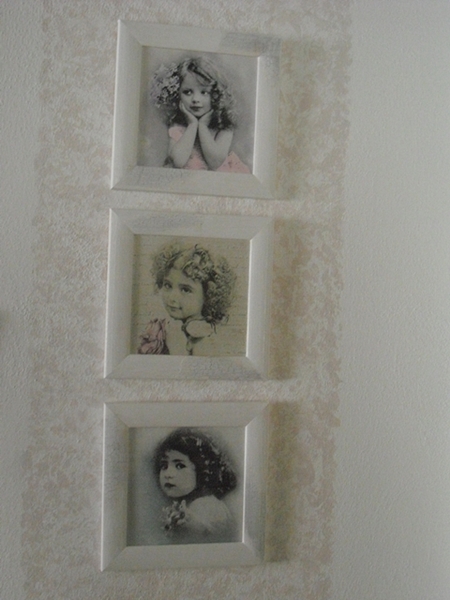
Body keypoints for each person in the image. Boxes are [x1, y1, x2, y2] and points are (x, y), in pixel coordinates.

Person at [149, 56, 250, 173]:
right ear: (177, 95)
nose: (195, 99)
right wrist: (192, 125)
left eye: (204, 92)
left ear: (216, 95)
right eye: (188, 92)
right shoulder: (179, 126)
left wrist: (202, 126)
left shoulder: (224, 127)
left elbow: (215, 163)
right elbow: (178, 162)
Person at [137, 242, 236, 356]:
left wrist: (176, 346)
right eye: (168, 285)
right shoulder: (159, 328)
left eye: (185, 290)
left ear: (208, 295)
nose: (172, 297)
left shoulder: (203, 336)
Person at [153, 427, 237, 543]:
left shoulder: (207, 506)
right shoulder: (189, 505)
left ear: (201, 470)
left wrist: (187, 528)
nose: (168, 474)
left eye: (179, 466)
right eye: (164, 466)